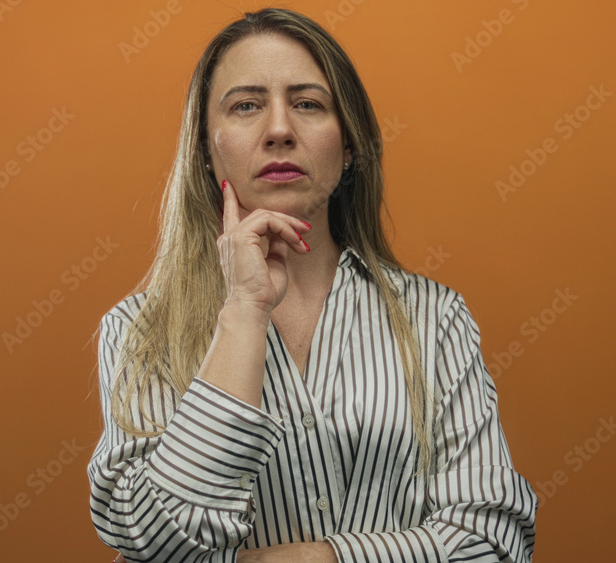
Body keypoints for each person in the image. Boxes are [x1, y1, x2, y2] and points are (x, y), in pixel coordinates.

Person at [88, 8, 536, 562]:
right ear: (205, 148)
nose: (280, 130)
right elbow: (152, 537)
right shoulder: (140, 331)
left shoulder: (434, 318)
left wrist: (312, 558)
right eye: (246, 105)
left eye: (307, 104)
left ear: (347, 147)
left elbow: (494, 541)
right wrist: (244, 310)